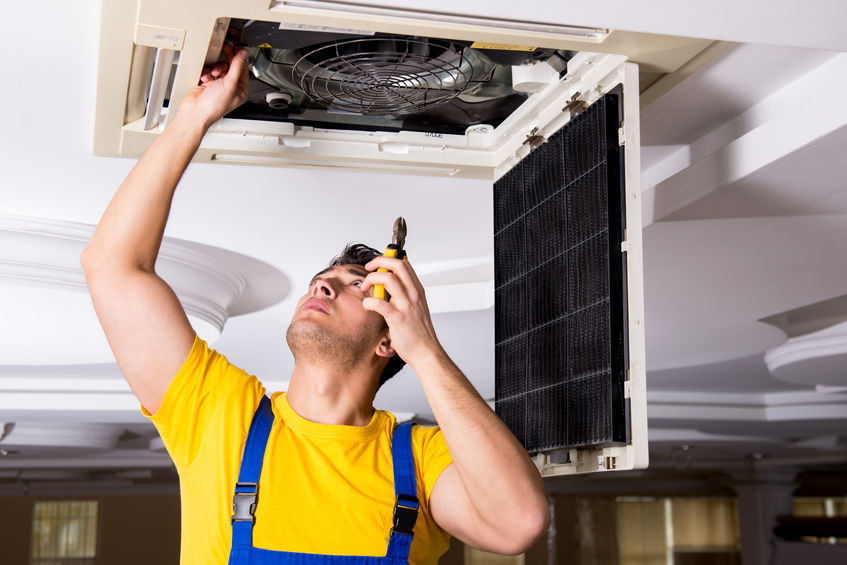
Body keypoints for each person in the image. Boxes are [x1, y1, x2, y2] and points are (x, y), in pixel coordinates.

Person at [81, 44, 549, 565]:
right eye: (319, 280)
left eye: (353, 285)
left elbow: (518, 524)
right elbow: (113, 266)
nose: (319, 287)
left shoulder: (418, 459)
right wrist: (194, 115)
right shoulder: (216, 413)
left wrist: (429, 352)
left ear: (388, 339)